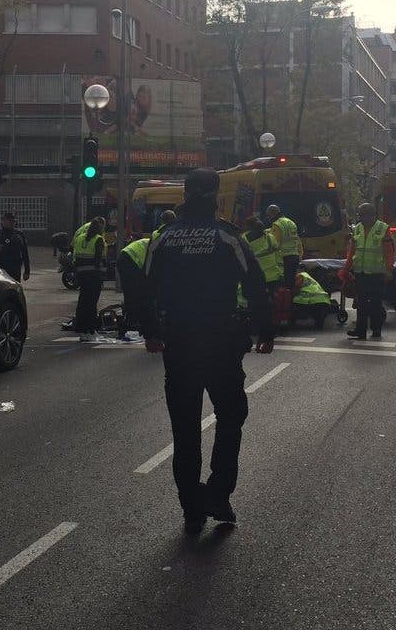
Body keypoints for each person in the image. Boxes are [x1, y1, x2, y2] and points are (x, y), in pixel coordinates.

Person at [142, 168, 273, 535]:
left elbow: (144, 287)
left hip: (179, 343)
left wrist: (150, 331)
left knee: (184, 427)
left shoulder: (164, 238)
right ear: (214, 196)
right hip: (220, 342)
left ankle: (190, 506)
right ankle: (218, 493)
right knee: (230, 417)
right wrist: (265, 329)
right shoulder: (227, 237)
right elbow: (255, 282)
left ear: (185, 195)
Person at [345, 202, 395, 339]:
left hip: (376, 274)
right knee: (360, 303)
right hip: (360, 273)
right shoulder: (358, 229)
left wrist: (389, 270)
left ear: (371, 215)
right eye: (359, 215)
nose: (360, 218)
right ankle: (360, 331)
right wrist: (346, 269)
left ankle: (376, 330)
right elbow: (352, 252)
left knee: (375, 304)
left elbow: (389, 253)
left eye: (362, 215)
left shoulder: (382, 228)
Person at [72, 216, 107, 341]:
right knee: (92, 304)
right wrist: (102, 277)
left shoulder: (80, 238)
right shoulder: (98, 240)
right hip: (93, 276)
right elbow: (98, 261)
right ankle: (91, 330)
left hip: (82, 275)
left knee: (82, 302)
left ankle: (82, 330)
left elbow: (75, 256)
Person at [0, 212, 30, 283]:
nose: (11, 223)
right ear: (2, 221)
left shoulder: (19, 235)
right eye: (9, 221)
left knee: (14, 289)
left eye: (13, 221)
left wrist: (27, 271)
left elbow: (25, 253)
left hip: (15, 269)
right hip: (0, 268)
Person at [266, 204, 302, 289]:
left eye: (268, 215)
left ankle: (286, 301)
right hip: (294, 256)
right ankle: (291, 299)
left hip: (285, 258)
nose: (268, 218)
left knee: (285, 284)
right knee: (291, 283)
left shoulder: (277, 224)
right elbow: (296, 239)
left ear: (272, 213)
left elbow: (274, 243)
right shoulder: (290, 222)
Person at [241, 216, 283, 288]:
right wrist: (281, 273)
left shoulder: (243, 241)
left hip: (255, 278)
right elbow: (278, 256)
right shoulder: (270, 238)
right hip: (273, 277)